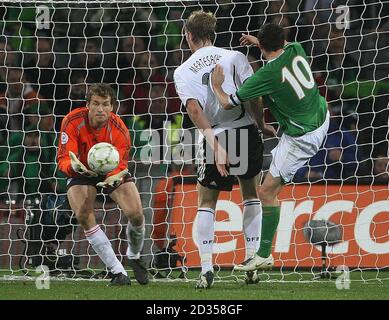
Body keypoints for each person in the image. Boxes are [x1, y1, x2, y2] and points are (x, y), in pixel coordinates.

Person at [211, 23, 330, 272]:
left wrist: (217, 85)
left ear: (263, 47)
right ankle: (262, 253)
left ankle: (264, 254)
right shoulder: (296, 49)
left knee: (265, 192)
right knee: (267, 189)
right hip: (320, 113)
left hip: (302, 137)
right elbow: (282, 45)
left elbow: (227, 104)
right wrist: (259, 41)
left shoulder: (265, 75)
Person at [174, 11, 276, 289]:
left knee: (207, 202)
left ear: (189, 35)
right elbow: (253, 95)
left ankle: (207, 268)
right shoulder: (235, 57)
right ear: (213, 33)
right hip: (244, 130)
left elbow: (194, 109)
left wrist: (216, 146)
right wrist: (261, 123)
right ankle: (252, 261)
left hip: (215, 134)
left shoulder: (182, 71)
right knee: (251, 195)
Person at [57, 83, 148, 286]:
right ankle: (118, 272)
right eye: (96, 104)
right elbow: (63, 158)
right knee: (83, 213)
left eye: (105, 104)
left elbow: (122, 164)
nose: (100, 109)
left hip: (111, 171)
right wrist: (74, 167)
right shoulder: (72, 121)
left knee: (136, 214)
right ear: (88, 105)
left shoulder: (120, 130)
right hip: (81, 170)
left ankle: (133, 255)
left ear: (112, 107)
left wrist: (113, 177)